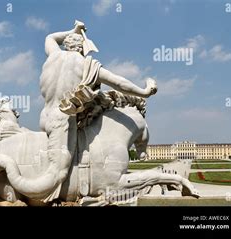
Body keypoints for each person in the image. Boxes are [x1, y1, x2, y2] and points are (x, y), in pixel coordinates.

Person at [39, 20, 157, 199]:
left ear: (67, 44)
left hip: (45, 117)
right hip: (63, 122)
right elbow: (119, 83)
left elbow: (50, 37)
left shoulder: (53, 54)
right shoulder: (87, 65)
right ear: (82, 47)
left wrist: (74, 30)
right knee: (58, 174)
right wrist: (144, 92)